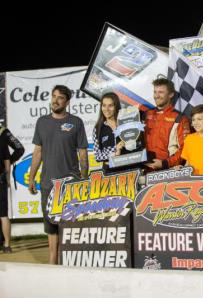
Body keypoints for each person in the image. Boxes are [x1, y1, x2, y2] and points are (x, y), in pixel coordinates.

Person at [28, 85, 89, 264]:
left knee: (70, 227)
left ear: (67, 102)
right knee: (51, 228)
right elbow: (37, 152)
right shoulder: (42, 122)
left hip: (70, 185)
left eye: (60, 97)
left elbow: (83, 154)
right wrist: (32, 178)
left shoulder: (76, 122)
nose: (55, 100)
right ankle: (52, 264)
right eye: (53, 96)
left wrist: (84, 180)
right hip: (47, 184)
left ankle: (68, 265)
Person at [144, 78, 190, 171]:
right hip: (144, 169)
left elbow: (186, 149)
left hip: (167, 171)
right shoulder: (145, 115)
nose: (157, 96)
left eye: (161, 92)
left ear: (171, 94)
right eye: (155, 92)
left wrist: (164, 163)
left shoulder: (180, 118)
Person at [0, 126, 24, 252]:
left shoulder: (3, 132)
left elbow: (19, 150)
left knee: (3, 214)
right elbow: (9, 157)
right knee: (3, 214)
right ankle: (7, 246)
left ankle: (6, 244)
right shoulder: (2, 133)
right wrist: (6, 173)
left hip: (1, 178)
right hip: (1, 178)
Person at [92, 92, 126, 172]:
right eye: (104, 105)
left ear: (116, 106)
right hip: (108, 172)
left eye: (110, 106)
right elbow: (97, 156)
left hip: (128, 169)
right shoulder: (97, 129)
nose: (106, 109)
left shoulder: (125, 124)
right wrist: (114, 151)